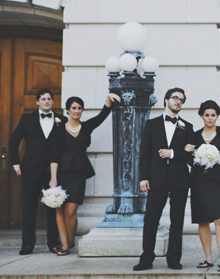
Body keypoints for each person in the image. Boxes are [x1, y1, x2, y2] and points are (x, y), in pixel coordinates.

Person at [49, 93, 120, 255]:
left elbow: (103, 114)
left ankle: (70, 240)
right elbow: (54, 154)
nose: (77, 111)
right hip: (60, 174)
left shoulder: (87, 127)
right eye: (74, 108)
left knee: (70, 211)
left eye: (79, 108)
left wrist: (108, 97)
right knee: (59, 210)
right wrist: (53, 178)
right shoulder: (59, 129)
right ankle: (65, 246)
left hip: (78, 173)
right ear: (68, 110)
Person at [133, 88, 195, 271]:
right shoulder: (151, 125)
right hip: (155, 179)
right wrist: (143, 178)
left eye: (181, 100)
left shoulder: (187, 127)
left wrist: (173, 153)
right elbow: (144, 153)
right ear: (166, 100)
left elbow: (191, 157)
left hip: (180, 180)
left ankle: (174, 258)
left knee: (177, 220)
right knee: (151, 219)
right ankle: (146, 258)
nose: (178, 102)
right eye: (175, 98)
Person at [8, 88, 65, 255]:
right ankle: (27, 245)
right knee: (29, 208)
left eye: (49, 99)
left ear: (53, 102)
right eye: (43, 99)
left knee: (53, 207)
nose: (46, 101)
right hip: (30, 169)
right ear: (37, 102)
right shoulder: (27, 119)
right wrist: (16, 163)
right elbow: (13, 141)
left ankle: (53, 243)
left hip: (54, 171)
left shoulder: (61, 120)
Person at [183, 100, 220, 272]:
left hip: (218, 182)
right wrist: (187, 150)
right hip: (199, 182)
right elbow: (188, 158)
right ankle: (208, 258)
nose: (210, 118)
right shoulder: (195, 135)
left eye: (213, 115)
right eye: (207, 115)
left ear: (218, 116)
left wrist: (216, 159)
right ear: (201, 116)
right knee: (203, 220)